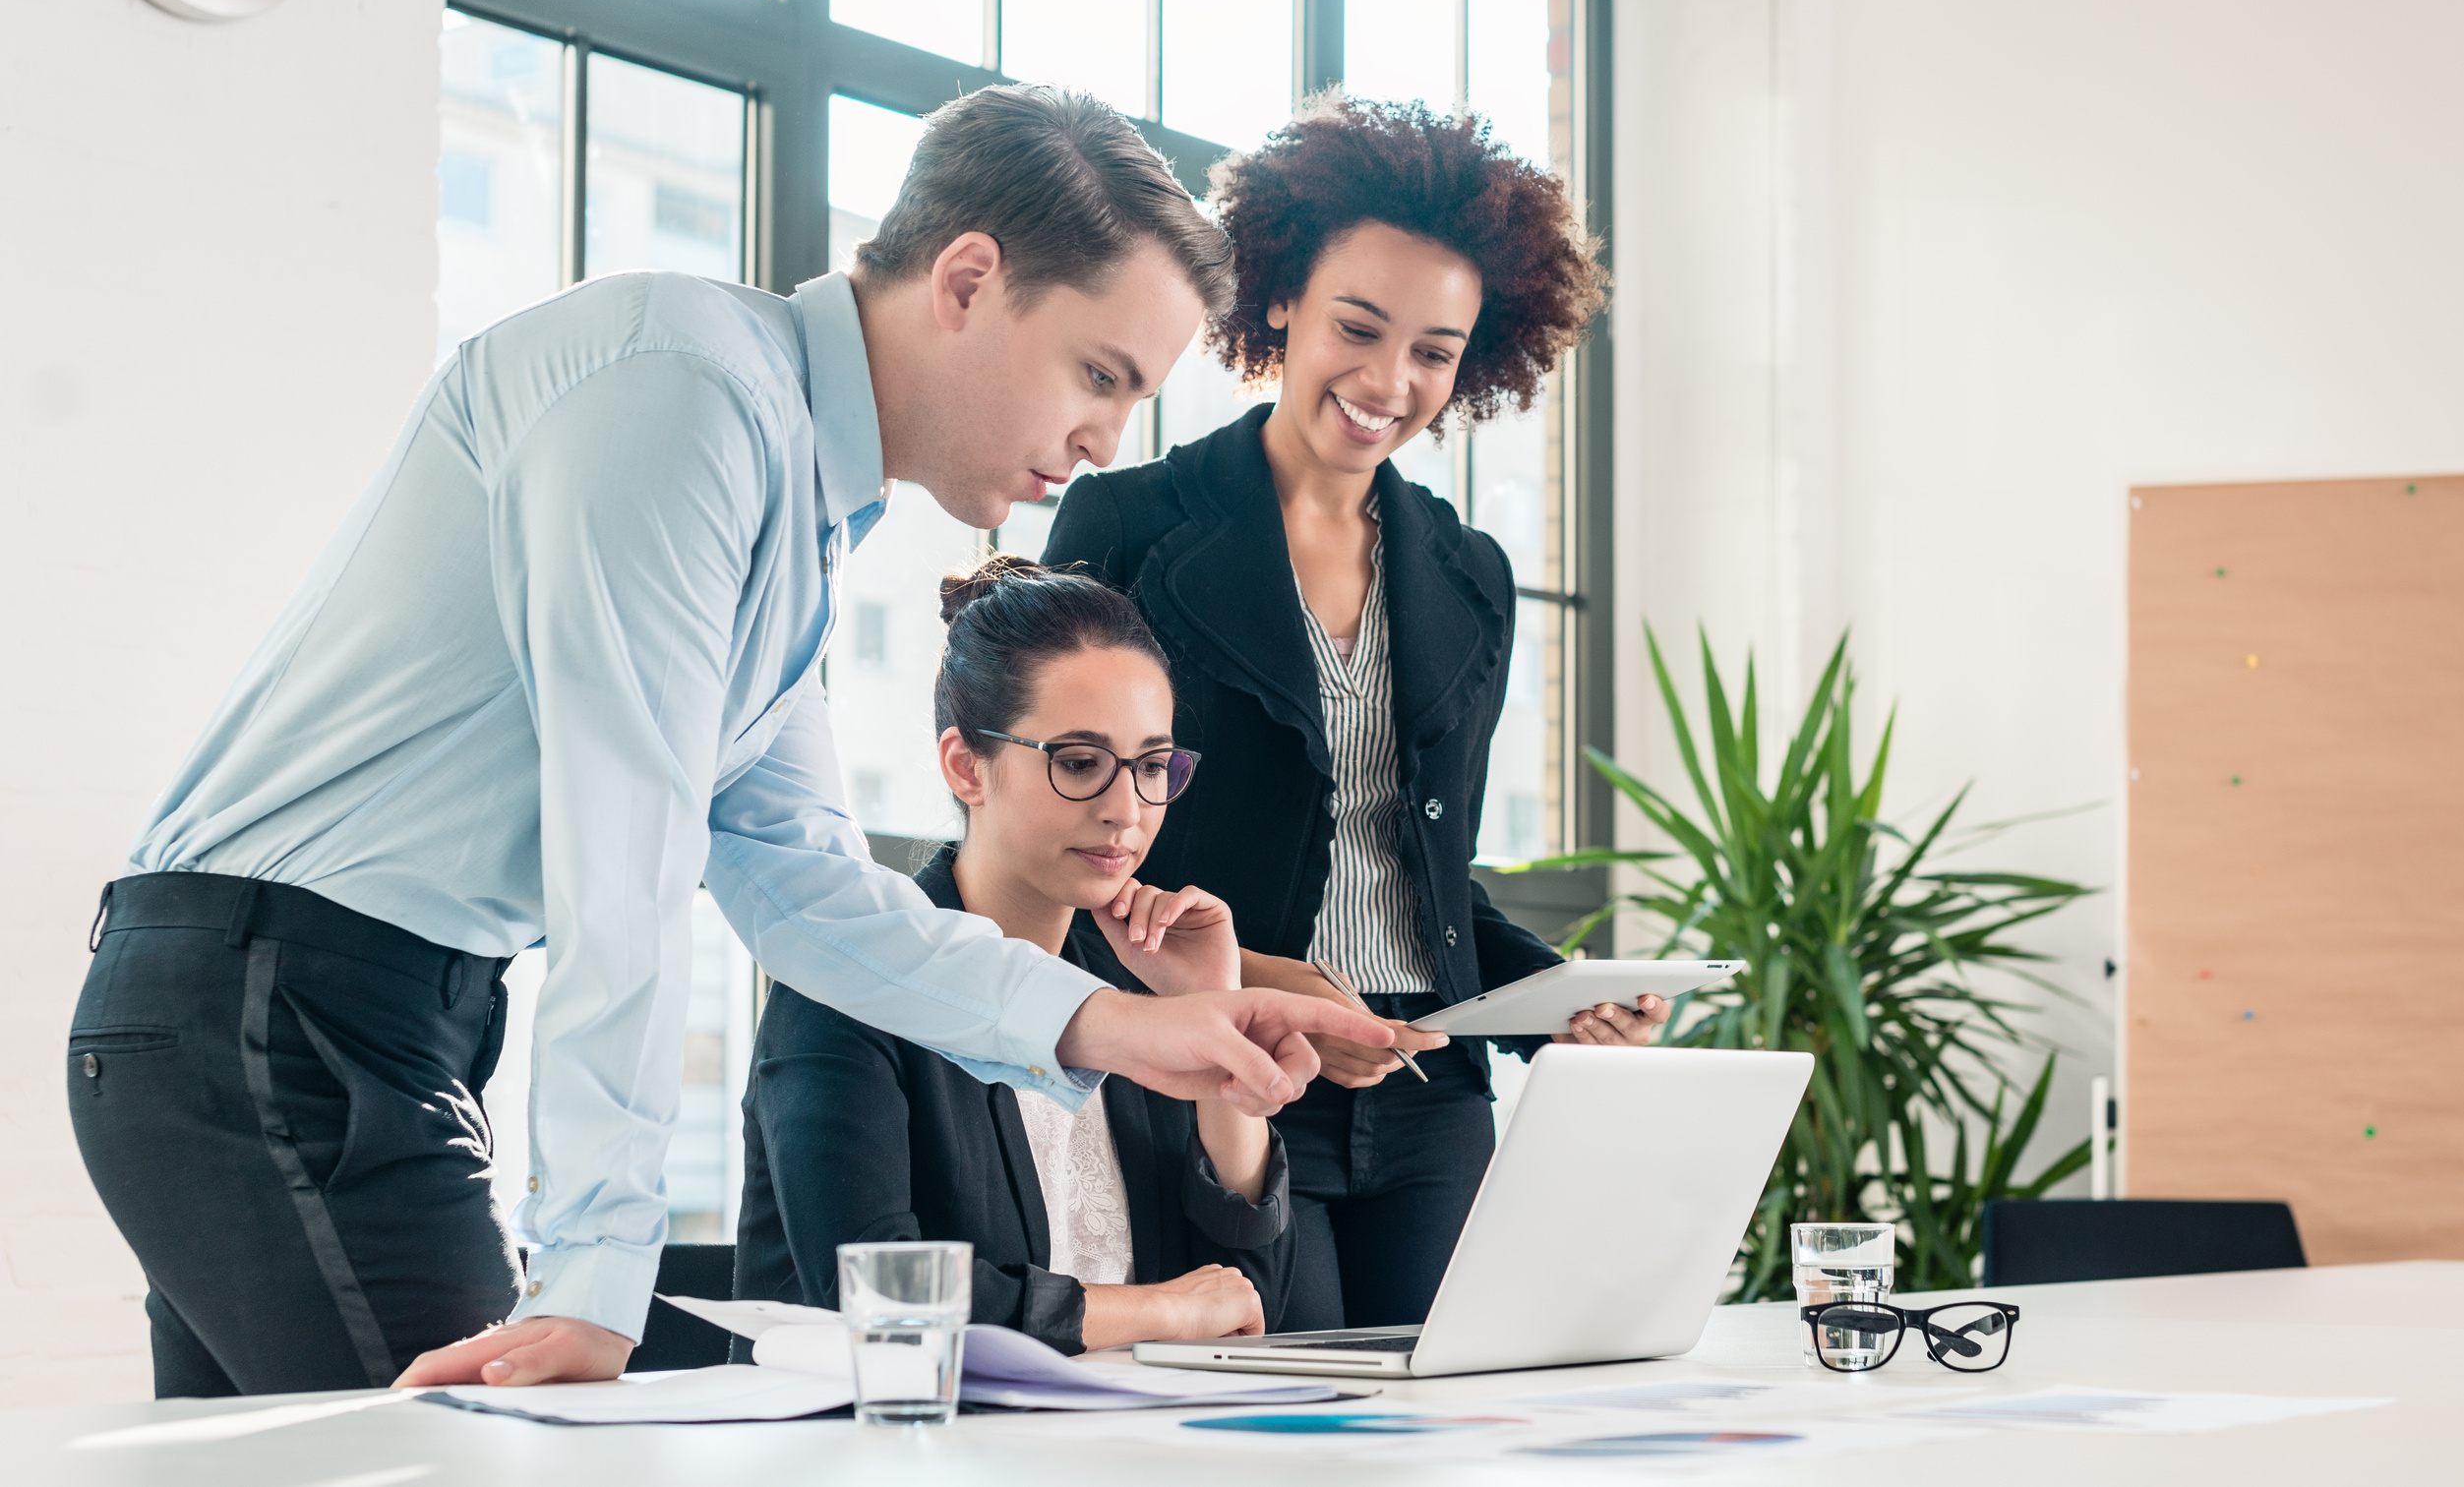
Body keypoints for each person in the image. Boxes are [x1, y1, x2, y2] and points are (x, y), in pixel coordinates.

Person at [68, 84, 1388, 1398]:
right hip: (269, 1006)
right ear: (969, 278)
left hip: (333, 1010)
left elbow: (809, 892)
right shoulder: (686, 396)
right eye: (1099, 374)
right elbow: (625, 853)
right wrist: (593, 1272)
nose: (1107, 435)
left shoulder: (790, 509)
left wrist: (1119, 1026)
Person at [1043, 94, 1660, 1334]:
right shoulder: (1128, 526)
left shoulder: (1469, 574)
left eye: (1435, 352)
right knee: (1264, 1433)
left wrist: (1552, 999)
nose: (1390, 382)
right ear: (1280, 301)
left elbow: (1432, 879)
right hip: (1223, 1072)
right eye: (1358, 328)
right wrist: (1272, 982)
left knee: (1446, 1432)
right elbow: (1067, 846)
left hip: (1429, 1098)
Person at [736, 557, 1293, 1351]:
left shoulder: (1134, 983)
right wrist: (1162, 1312)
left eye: (1151, 767)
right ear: (967, 766)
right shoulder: (850, 976)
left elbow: (1249, 1300)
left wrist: (1214, 1016)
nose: (1126, 811)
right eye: (1079, 763)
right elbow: (877, 1297)